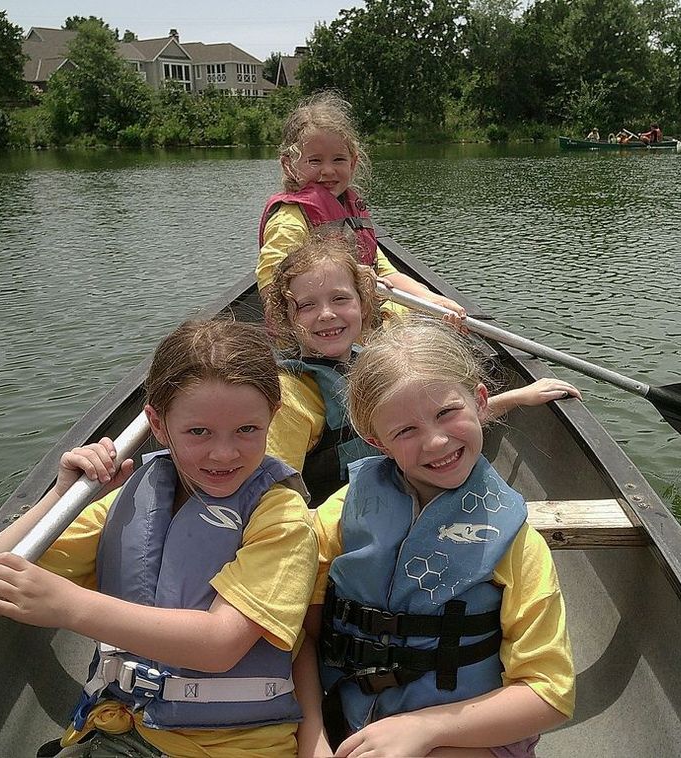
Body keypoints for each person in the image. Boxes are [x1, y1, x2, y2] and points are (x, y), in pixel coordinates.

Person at [0, 320, 319, 758]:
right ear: (158, 426)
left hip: (228, 747)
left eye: (247, 430)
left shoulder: (281, 517)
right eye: (198, 432)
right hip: (115, 729)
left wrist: (69, 606)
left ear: (272, 418)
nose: (224, 453)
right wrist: (59, 497)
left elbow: (220, 644)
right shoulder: (128, 501)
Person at [305, 317, 576, 756]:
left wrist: (424, 730)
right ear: (377, 442)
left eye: (447, 413)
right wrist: (312, 740)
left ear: (481, 403)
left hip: (463, 734)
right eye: (405, 431)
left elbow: (549, 695)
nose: (435, 442)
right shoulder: (340, 514)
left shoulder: (517, 547)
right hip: (343, 718)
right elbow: (304, 634)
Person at [264, 235, 582, 506]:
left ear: (362, 303)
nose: (327, 314)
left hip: (400, 500)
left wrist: (517, 397)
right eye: (307, 306)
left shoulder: (371, 363)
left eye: (340, 299)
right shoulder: (292, 395)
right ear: (287, 319)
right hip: (344, 528)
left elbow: (434, 421)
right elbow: (277, 490)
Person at [256, 91, 465, 318]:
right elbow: (271, 287)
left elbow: (384, 271)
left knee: (426, 319)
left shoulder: (348, 211)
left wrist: (431, 299)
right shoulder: (289, 220)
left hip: (360, 320)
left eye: (339, 159)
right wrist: (350, 275)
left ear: (353, 163)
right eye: (315, 160)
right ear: (289, 166)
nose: (328, 170)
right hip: (324, 328)